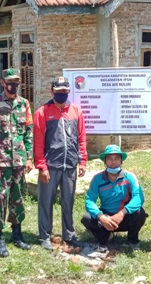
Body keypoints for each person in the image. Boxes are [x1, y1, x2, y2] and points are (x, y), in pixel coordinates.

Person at [0, 68, 34, 257]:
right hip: (1, 162)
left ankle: (17, 234)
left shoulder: (24, 104)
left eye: (16, 81)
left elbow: (28, 131)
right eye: (10, 81)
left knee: (18, 197)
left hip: (19, 160)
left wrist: (29, 157)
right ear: (2, 82)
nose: (13, 85)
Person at [34, 76, 88, 250]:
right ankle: (44, 236)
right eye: (58, 92)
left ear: (69, 92)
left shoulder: (76, 111)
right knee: (45, 202)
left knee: (68, 201)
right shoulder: (42, 112)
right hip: (51, 166)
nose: (62, 95)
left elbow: (81, 137)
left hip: (70, 165)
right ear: (52, 92)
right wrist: (41, 166)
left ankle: (69, 235)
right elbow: (38, 142)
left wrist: (83, 161)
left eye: (65, 92)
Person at [82, 145, 147, 253]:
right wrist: (101, 216)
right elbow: (89, 200)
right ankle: (105, 238)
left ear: (121, 161)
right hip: (106, 219)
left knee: (140, 212)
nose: (113, 161)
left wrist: (122, 214)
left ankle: (132, 240)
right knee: (86, 218)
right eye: (110, 158)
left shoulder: (129, 177)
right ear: (105, 161)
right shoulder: (98, 179)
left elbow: (139, 198)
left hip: (124, 217)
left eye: (116, 158)